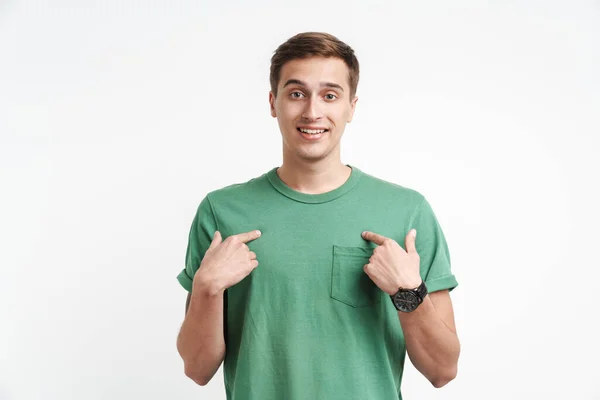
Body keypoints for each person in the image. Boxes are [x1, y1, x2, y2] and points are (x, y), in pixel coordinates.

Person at [176, 32, 460, 400]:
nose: (312, 111)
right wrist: (207, 288)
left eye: (330, 95)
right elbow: (197, 369)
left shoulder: (406, 211)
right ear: (273, 102)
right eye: (296, 93)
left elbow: (443, 370)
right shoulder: (221, 212)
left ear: (351, 107)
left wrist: (408, 292)